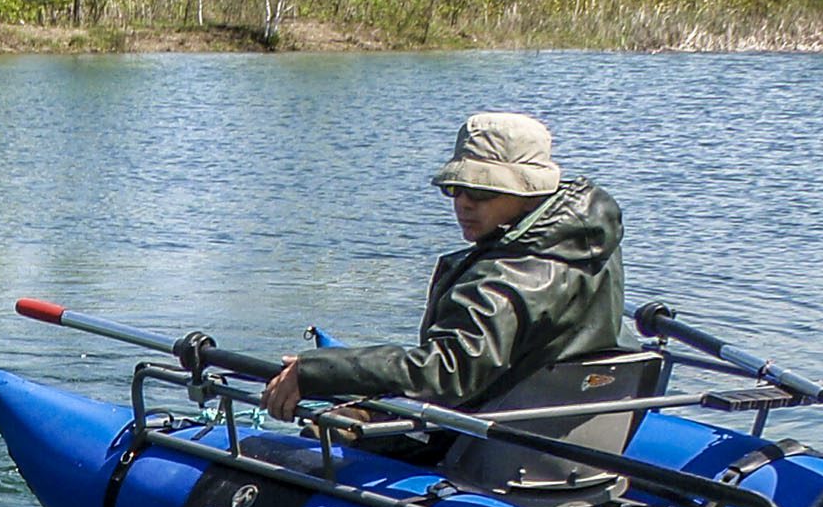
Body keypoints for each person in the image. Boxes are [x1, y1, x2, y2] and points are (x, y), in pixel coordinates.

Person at [258, 112, 626, 420]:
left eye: (481, 191)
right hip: (556, 426)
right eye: (455, 189)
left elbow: (446, 372)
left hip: (496, 439)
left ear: (530, 191)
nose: (463, 204)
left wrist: (317, 371)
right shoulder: (591, 242)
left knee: (327, 425)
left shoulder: (502, 280)